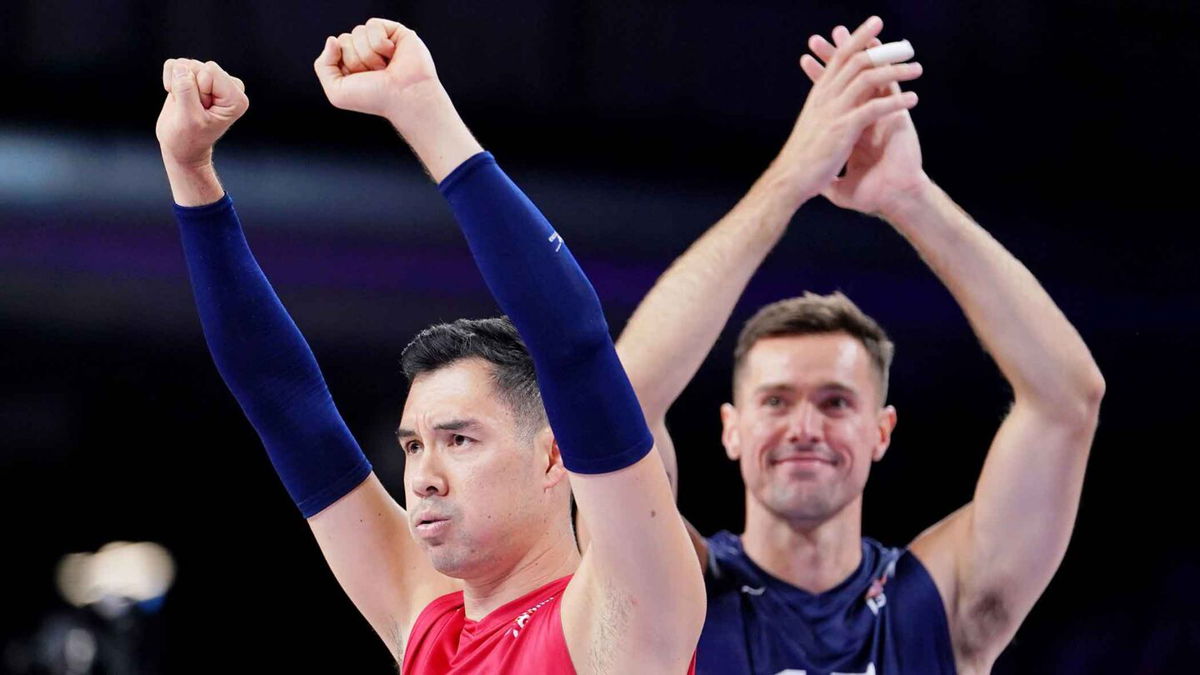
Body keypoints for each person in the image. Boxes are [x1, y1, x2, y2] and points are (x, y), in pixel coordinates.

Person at [154, 17, 704, 674]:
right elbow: (282, 398)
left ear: (555, 452)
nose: (423, 476)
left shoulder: (627, 611)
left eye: (460, 439)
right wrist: (191, 173)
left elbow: (574, 346)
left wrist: (423, 111)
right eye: (415, 444)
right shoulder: (428, 618)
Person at [612, 16, 1106, 675]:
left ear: (882, 430)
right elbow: (613, 407)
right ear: (730, 428)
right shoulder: (677, 601)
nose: (805, 426)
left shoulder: (937, 608)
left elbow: (1068, 400)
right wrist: (789, 178)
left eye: (837, 401)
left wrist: (912, 198)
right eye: (777, 400)